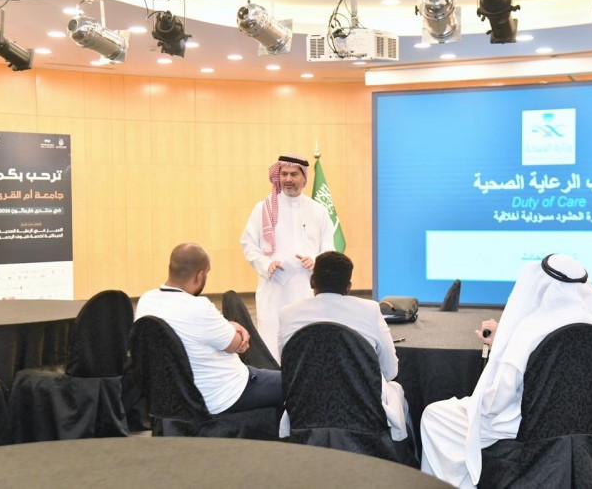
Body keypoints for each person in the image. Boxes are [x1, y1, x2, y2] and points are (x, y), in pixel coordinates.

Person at [420, 254, 592, 488]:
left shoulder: (530, 330)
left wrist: (504, 350)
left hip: (525, 438)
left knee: (435, 416)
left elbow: (494, 404)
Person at [277, 251, 410, 442]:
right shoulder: (370, 311)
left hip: (306, 415)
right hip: (364, 418)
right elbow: (390, 371)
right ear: (348, 287)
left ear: (312, 281)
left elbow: (288, 368)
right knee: (396, 392)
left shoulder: (287, 314)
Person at [135, 243, 282, 415]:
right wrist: (233, 327)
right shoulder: (200, 308)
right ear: (200, 276)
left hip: (173, 398)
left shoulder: (147, 300)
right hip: (224, 395)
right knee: (296, 381)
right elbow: (236, 343)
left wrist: (227, 326)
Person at [240, 154, 335, 362]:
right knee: (272, 342)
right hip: (274, 288)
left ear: (304, 178)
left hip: (306, 288)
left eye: (293, 174)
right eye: (284, 174)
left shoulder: (318, 210)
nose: (288, 179)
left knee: (306, 342)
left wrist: (316, 260)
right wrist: (266, 264)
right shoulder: (263, 208)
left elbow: (329, 246)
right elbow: (248, 244)